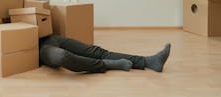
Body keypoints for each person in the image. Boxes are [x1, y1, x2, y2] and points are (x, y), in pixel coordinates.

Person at [39, 35, 171, 73]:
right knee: (63, 56)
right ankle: (106, 65)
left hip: (48, 37)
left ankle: (148, 61)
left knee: (97, 51)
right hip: (37, 48)